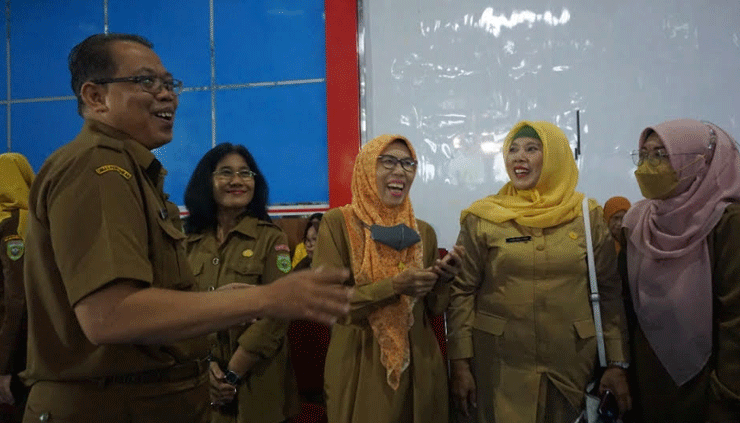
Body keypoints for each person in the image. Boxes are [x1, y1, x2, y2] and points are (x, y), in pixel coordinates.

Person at [20, 33, 352, 423]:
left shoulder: (132, 173)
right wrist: (266, 298)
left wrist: (227, 302)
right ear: (96, 97)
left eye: (169, 83)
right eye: (146, 82)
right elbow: (110, 315)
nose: (167, 96)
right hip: (110, 406)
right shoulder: (99, 168)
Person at [447, 120, 631, 423]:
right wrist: (460, 364)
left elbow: (610, 293)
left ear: (555, 156)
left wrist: (616, 363)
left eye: (532, 149)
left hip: (572, 363)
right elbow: (462, 291)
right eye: (513, 150)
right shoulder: (484, 217)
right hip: (500, 366)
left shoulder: (587, 216)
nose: (520, 157)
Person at [313, 134, 464, 423]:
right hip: (361, 362)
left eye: (408, 164)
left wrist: (444, 279)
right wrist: (393, 287)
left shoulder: (423, 232)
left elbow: (434, 308)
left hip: (419, 363)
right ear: (367, 167)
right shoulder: (338, 224)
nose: (400, 171)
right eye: (389, 161)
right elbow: (329, 303)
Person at [621, 118, 740, 423]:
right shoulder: (637, 222)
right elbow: (625, 307)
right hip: (647, 383)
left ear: (702, 162)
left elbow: (736, 318)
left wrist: (727, 396)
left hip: (710, 388)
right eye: (643, 155)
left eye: (661, 155)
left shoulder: (728, 222)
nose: (647, 167)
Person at [184, 143, 300, 423]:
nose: (237, 181)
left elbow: (278, 311)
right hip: (200, 383)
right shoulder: (187, 242)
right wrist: (207, 367)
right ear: (206, 181)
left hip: (257, 384)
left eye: (245, 173)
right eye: (226, 172)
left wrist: (232, 373)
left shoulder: (271, 238)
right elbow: (179, 309)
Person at [0, 153, 34, 423]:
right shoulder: (0, 221)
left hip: (7, 351)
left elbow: (18, 299)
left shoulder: (15, 227)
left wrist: (1, 367)